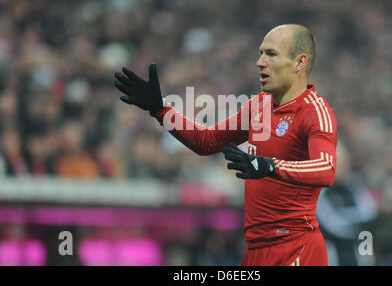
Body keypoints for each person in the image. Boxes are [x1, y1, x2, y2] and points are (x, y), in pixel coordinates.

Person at [114, 24, 338, 266]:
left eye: (271, 54)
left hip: (296, 249)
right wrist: (160, 109)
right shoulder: (259, 105)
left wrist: (269, 166)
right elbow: (207, 142)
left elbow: (326, 170)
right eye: (261, 53)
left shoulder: (315, 112)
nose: (260, 62)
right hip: (256, 250)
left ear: (299, 62)